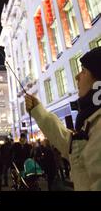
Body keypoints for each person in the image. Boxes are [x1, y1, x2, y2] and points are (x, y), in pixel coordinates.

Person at [25, 46, 101, 191]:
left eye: (84, 71)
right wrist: (39, 112)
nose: (77, 76)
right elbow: (73, 148)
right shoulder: (91, 121)